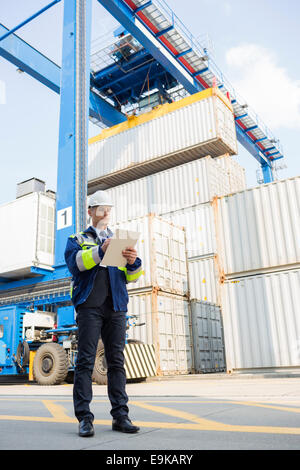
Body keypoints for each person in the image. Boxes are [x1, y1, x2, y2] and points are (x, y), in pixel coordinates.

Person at [64, 190, 143, 437]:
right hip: (90, 306)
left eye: (108, 208)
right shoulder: (77, 238)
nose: (106, 212)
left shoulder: (120, 239)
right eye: (100, 208)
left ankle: (121, 416)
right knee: (86, 362)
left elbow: (129, 278)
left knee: (117, 363)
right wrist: (101, 251)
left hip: (116, 307)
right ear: (90, 211)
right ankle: (84, 419)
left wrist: (133, 262)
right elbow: (75, 264)